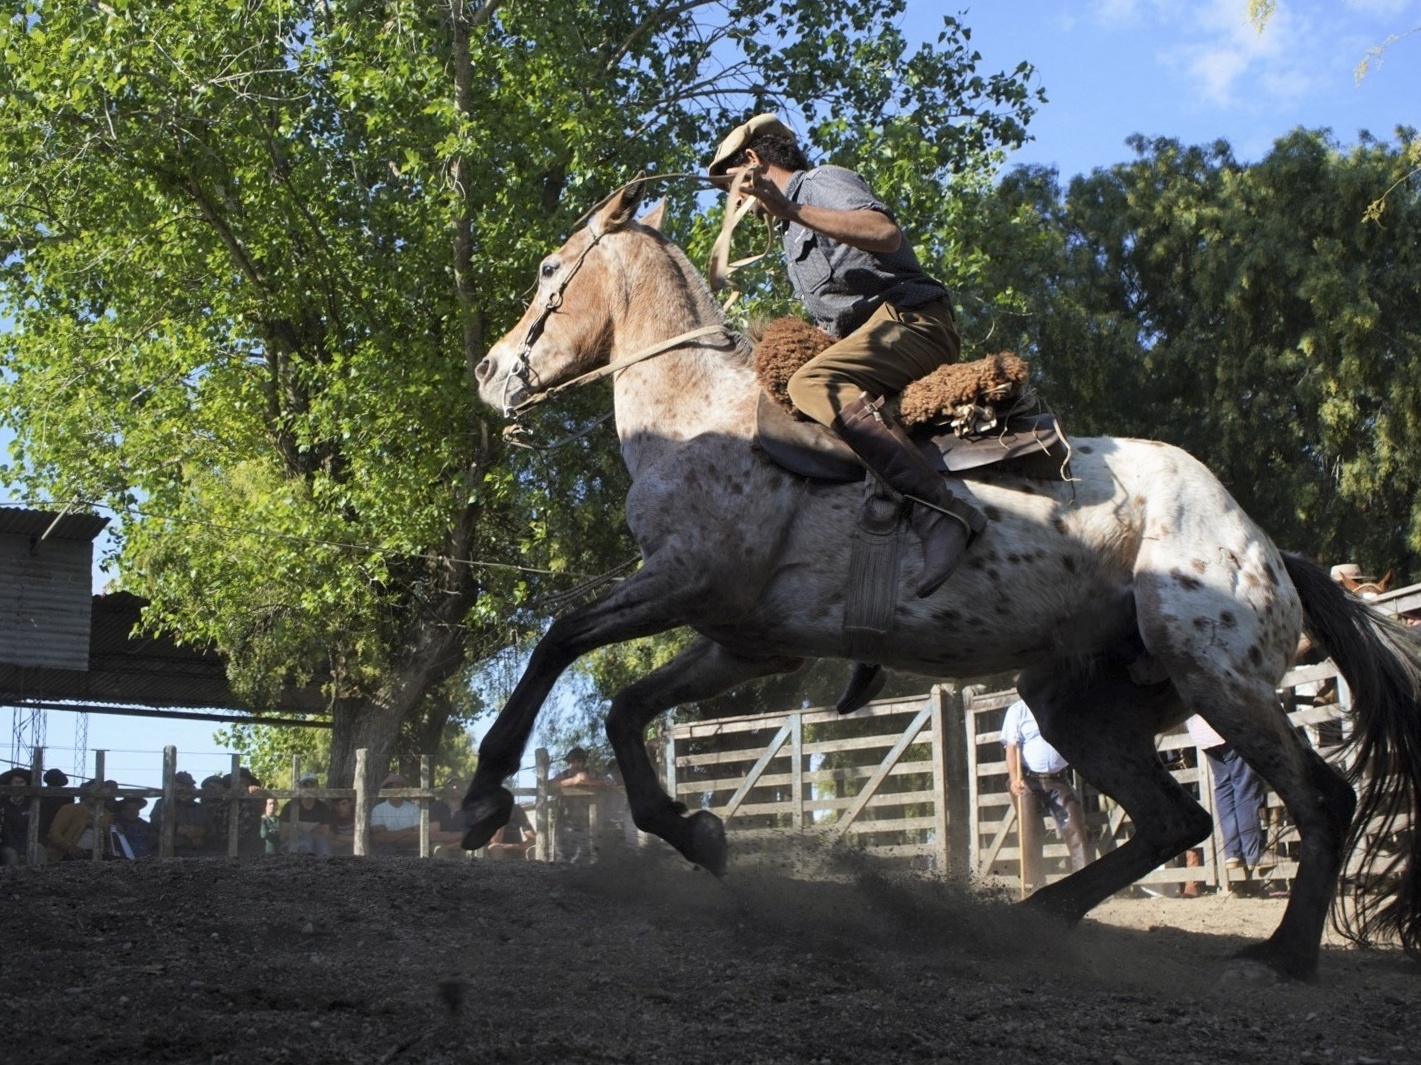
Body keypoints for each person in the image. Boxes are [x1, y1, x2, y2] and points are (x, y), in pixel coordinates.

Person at [708, 113, 986, 598]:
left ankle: (941, 512)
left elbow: (884, 234)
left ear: (752, 161)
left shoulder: (819, 183)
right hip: (875, 341)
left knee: (811, 385)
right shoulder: (792, 239)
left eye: (730, 186)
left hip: (913, 323)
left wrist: (792, 210)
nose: (735, 205)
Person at [1000, 698, 1090, 892]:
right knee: (1029, 830)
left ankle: (1085, 885)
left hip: (1059, 780)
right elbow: (1011, 748)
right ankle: (1034, 885)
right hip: (1027, 779)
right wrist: (1015, 778)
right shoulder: (1018, 711)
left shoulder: (1058, 706)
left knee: (1074, 827)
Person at [1185, 714, 1280, 895]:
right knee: (1245, 785)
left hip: (1200, 731)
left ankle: (1232, 852)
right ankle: (1253, 852)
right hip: (1224, 725)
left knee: (1223, 786)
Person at [551, 748, 612, 864]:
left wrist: (589, 782)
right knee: (562, 859)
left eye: (579, 762)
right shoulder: (563, 775)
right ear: (568, 764)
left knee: (584, 860)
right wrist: (574, 781)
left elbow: (608, 782)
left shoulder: (592, 774)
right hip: (564, 826)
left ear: (584, 763)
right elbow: (551, 785)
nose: (576, 765)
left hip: (585, 826)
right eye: (572, 762)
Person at [47, 779, 114, 862]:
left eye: (98, 792)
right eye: (92, 791)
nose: (94, 795)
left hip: (98, 856)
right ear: (86, 793)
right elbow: (54, 834)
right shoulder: (69, 809)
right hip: (69, 854)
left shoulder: (107, 815)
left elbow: (110, 840)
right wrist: (70, 847)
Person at [151, 771, 209, 855]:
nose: (184, 789)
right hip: (171, 852)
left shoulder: (199, 808)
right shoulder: (163, 803)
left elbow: (210, 827)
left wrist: (200, 832)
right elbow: (156, 822)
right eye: (181, 785)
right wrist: (182, 830)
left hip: (196, 853)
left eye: (188, 786)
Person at [278, 772, 332, 857]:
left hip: (316, 842)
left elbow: (325, 833)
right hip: (290, 845)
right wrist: (310, 834)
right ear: (300, 787)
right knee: (306, 843)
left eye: (312, 784)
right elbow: (283, 835)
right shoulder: (290, 807)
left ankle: (327, 866)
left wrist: (302, 833)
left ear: (317, 787)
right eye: (305, 785)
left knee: (323, 843)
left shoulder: (322, 807)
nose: (309, 788)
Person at [369, 773, 421, 856]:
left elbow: (419, 835)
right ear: (385, 790)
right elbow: (379, 837)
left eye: (398, 786)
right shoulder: (378, 809)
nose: (394, 790)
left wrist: (390, 836)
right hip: (386, 852)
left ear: (404, 789)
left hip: (411, 850)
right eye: (391, 787)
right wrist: (408, 831)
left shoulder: (414, 809)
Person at [0, 768, 32, 866]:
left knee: (38, 850)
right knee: (11, 855)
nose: (18, 785)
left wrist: (26, 848)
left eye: (22, 782)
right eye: (15, 782)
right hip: (9, 844)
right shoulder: (3, 806)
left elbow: (40, 828)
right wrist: (20, 850)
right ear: (10, 784)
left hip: (30, 842)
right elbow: (6, 832)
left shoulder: (33, 804)